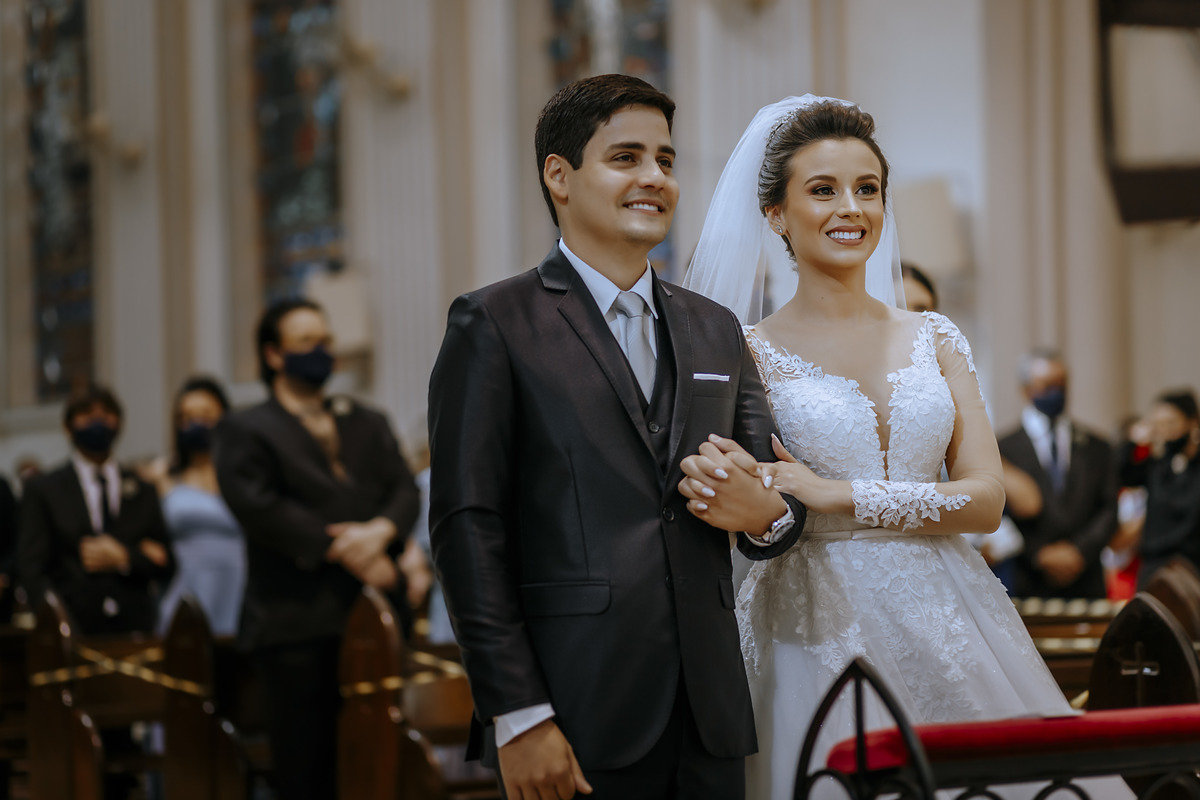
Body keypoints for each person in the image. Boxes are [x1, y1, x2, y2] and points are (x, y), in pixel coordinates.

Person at [680, 96, 1075, 799]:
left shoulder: (936, 337)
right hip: (812, 620)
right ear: (775, 215)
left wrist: (837, 492)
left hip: (952, 609)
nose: (851, 209)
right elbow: (747, 507)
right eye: (823, 190)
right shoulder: (748, 354)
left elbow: (986, 502)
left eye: (867, 190)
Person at [428, 74, 806, 800]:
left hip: (709, 714)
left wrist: (766, 514)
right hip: (573, 707)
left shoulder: (714, 328)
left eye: (666, 161)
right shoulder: (496, 324)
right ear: (559, 175)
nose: (654, 178)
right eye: (626, 157)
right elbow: (467, 532)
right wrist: (518, 715)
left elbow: (776, 495)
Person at [214, 299, 420, 800]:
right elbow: (262, 509)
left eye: (326, 342)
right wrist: (352, 550)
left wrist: (379, 534)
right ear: (274, 354)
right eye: (307, 343)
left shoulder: (366, 420)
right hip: (296, 622)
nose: (322, 352)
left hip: (376, 616)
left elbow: (405, 491)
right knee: (309, 771)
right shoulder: (246, 429)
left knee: (384, 764)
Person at [18, 384, 175, 635]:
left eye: (106, 415)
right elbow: (31, 567)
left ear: (119, 423)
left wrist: (125, 558)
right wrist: (58, 622)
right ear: (67, 426)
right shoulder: (44, 489)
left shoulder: (142, 489)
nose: (98, 421)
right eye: (87, 415)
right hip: (72, 626)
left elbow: (167, 563)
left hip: (135, 628)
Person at [997, 349, 1117, 598]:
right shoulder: (1002, 448)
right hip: (1029, 580)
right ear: (1026, 389)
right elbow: (999, 513)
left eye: (1062, 384)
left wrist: (1079, 551)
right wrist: (1039, 553)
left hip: (1086, 578)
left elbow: (1109, 509)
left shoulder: (1097, 446)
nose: (1057, 391)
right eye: (1047, 384)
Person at [156, 377, 246, 635]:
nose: (197, 424)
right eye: (187, 417)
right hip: (187, 584)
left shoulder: (243, 474)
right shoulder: (163, 475)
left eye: (206, 415)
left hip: (239, 584)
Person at [1121, 389, 1200, 587]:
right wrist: (1134, 443)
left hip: (1192, 566)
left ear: (1192, 422)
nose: (1165, 431)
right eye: (1159, 425)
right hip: (1154, 566)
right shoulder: (1157, 466)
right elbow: (1124, 475)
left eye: (1171, 423)